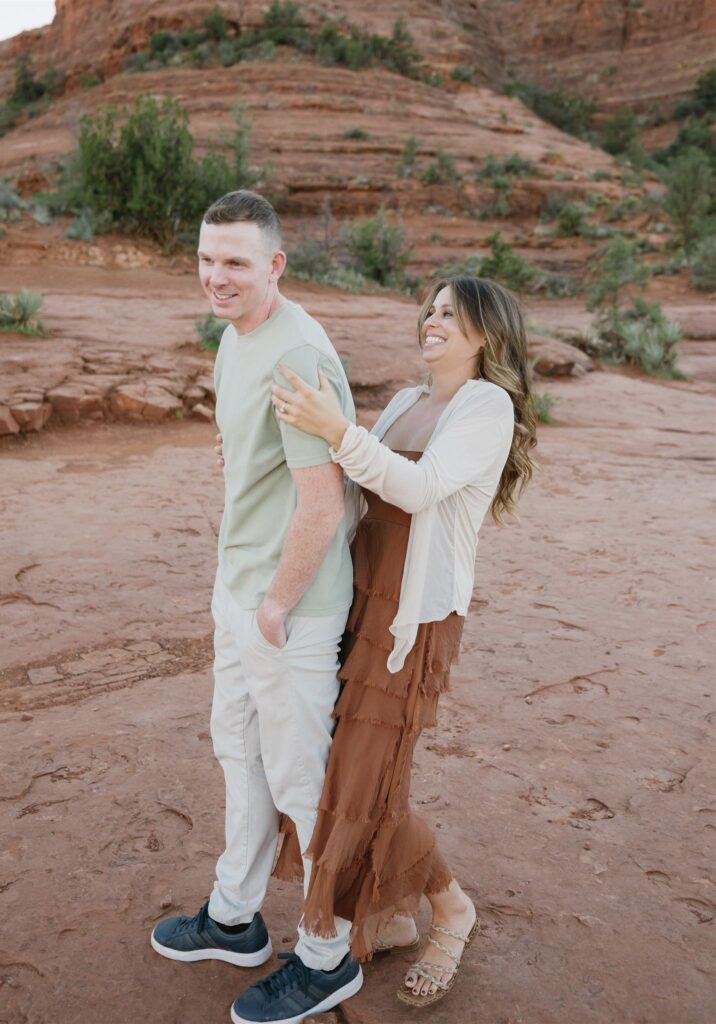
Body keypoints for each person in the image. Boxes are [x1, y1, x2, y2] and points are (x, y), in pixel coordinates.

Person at [267, 275, 537, 1009]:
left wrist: (335, 429)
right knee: (344, 769)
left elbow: (419, 490)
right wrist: (288, 470)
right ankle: (384, 911)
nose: (433, 319)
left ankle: (450, 908)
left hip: (409, 620)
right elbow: (360, 491)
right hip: (356, 599)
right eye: (431, 309)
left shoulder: (488, 407)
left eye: (452, 313)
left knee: (367, 779)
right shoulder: (407, 402)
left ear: (485, 332)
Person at [150, 190, 365, 1024]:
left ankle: (325, 955)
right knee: (239, 752)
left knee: (303, 779)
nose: (217, 276)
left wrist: (276, 605)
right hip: (239, 588)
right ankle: (234, 919)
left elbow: (324, 503)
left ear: (276, 264)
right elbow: (248, 453)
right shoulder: (236, 338)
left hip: (290, 608)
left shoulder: (297, 354)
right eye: (207, 259)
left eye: (236, 261)